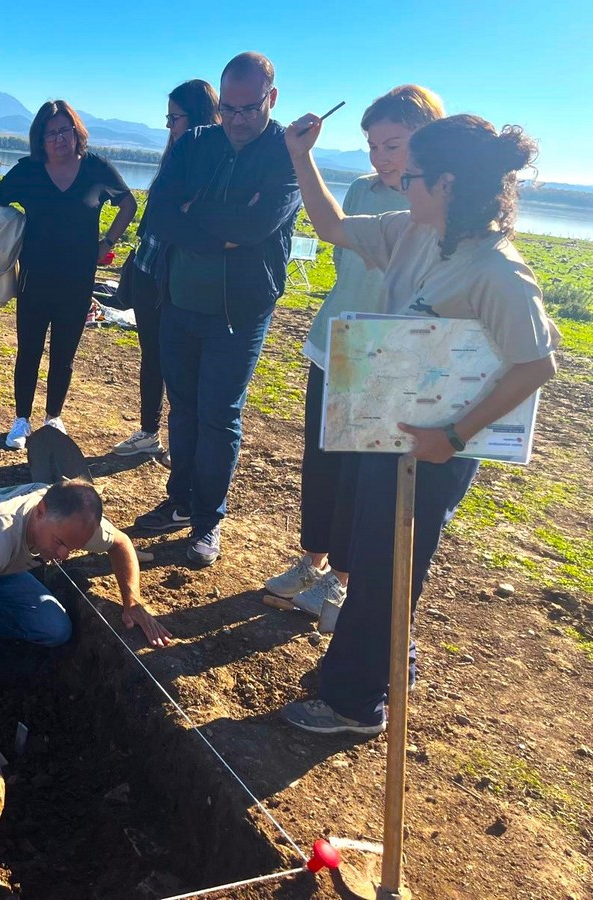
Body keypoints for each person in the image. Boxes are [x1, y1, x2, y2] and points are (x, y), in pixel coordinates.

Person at [280, 114, 559, 735]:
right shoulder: (413, 231)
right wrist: (300, 158)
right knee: (373, 555)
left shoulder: (498, 271)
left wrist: (454, 437)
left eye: (413, 175)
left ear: (450, 184)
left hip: (435, 450)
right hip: (389, 431)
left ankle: (356, 704)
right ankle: (375, 666)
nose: (399, 182)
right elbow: (328, 225)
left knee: (390, 565)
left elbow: (535, 364)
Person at [264, 86, 445, 631]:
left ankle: (340, 581)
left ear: (428, 140)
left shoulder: (434, 208)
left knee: (359, 477)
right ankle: (313, 560)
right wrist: (304, 157)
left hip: (384, 362)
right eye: (373, 144)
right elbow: (333, 228)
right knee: (321, 463)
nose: (381, 157)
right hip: (332, 343)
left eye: (394, 144)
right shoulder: (362, 191)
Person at [135, 52, 302, 569]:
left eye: (249, 108)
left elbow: (256, 229)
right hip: (178, 300)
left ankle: (209, 521)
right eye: (228, 108)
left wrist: (198, 217)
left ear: (271, 99)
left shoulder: (287, 153)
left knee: (219, 415)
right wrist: (219, 229)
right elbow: (159, 212)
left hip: (241, 312)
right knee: (182, 409)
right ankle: (180, 501)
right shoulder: (195, 143)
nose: (236, 120)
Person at [0, 480, 172, 726]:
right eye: (60, 543)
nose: (63, 555)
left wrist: (132, 600)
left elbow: (120, 543)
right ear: (41, 511)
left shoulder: (74, 521)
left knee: (53, 628)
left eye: (72, 548)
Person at [0, 101, 137, 449]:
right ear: (40, 138)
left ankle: (53, 418)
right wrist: (16, 226)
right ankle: (21, 420)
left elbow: (127, 202)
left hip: (78, 278)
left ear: (76, 132)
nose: (58, 139)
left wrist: (109, 240)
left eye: (64, 131)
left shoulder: (96, 168)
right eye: (50, 133)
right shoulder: (29, 170)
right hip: (34, 277)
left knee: (64, 354)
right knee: (29, 350)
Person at [111, 80, 220, 461]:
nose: (170, 126)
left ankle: (176, 440)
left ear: (199, 117)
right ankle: (149, 432)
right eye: (168, 118)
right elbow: (160, 214)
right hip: (147, 269)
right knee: (152, 356)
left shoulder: (211, 161)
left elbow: (189, 219)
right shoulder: (176, 154)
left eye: (175, 118)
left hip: (173, 278)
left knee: (178, 364)